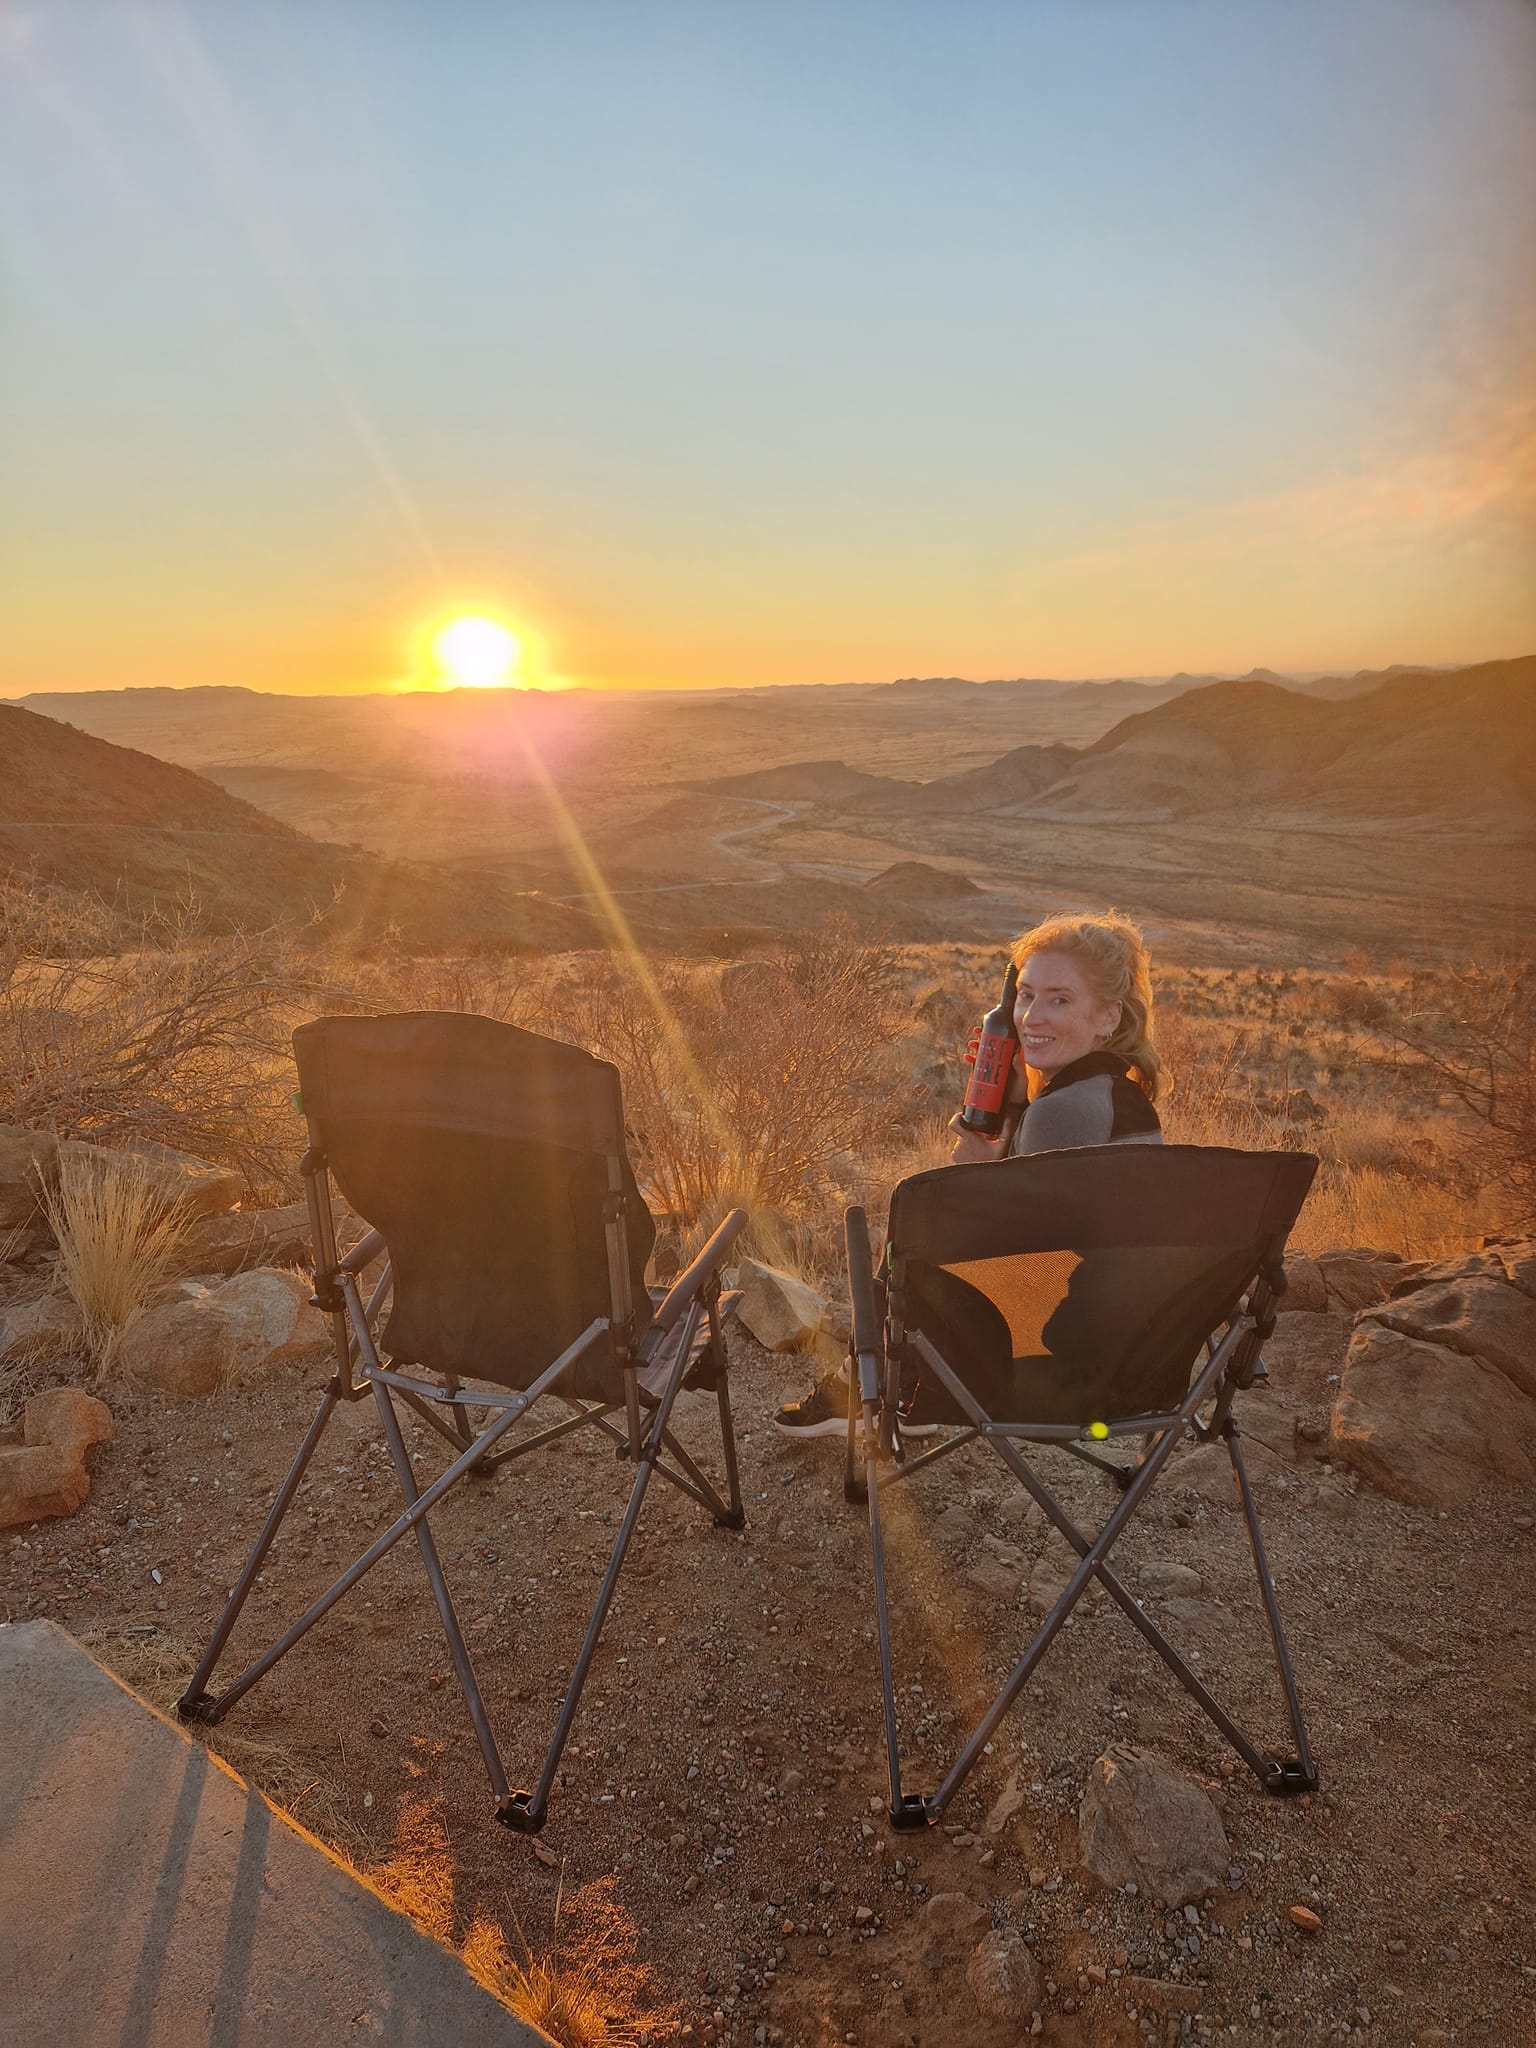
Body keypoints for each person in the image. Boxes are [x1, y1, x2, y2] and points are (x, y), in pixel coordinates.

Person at [771, 909, 1165, 1437]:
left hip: (1048, 1368)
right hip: (1127, 1357)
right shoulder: (1119, 1098)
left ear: (1108, 1017)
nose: (1031, 1017)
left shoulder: (1064, 1111)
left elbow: (1018, 1256)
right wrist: (1018, 1110)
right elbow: (1067, 1231)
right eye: (1026, 994)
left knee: (919, 1230)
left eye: (1060, 999)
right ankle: (900, 1386)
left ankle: (868, 1385)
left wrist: (977, 1176)